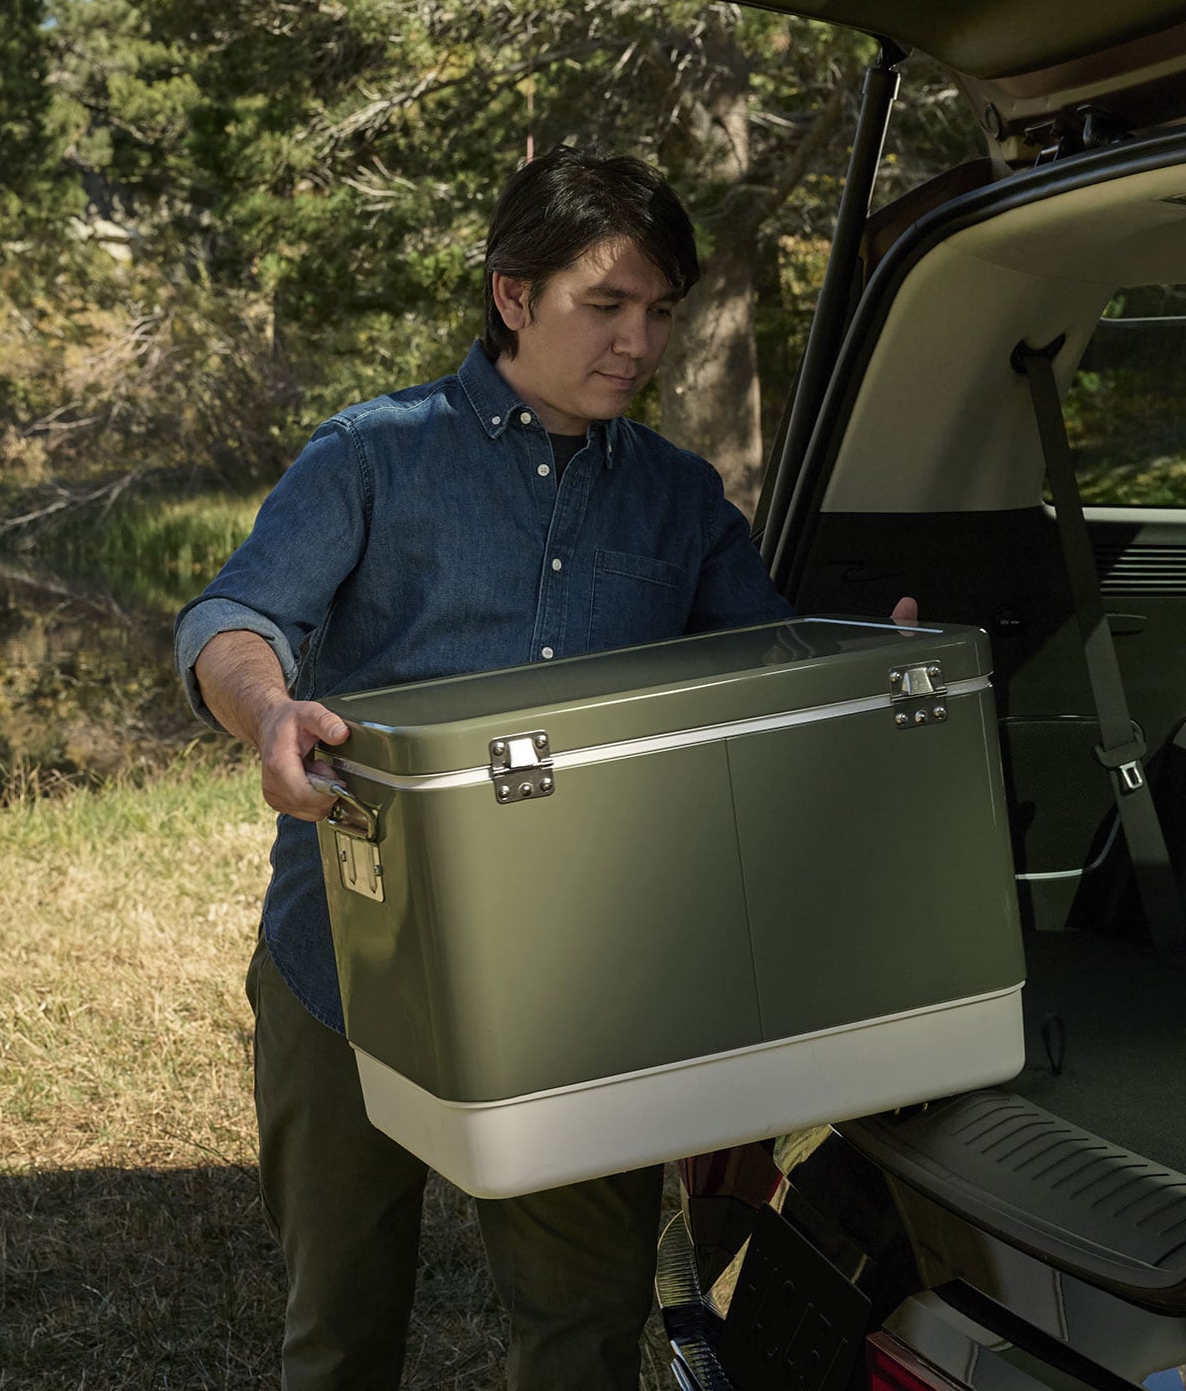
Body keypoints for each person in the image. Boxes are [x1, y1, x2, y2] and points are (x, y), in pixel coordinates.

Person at [174, 146, 799, 1391]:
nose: (640, 341)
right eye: (604, 305)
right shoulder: (371, 455)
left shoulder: (682, 501)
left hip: (585, 986)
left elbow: (773, 677)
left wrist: (865, 659)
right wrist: (269, 712)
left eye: (661, 311)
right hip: (344, 966)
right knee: (339, 1337)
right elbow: (230, 618)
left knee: (583, 1336)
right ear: (514, 296)